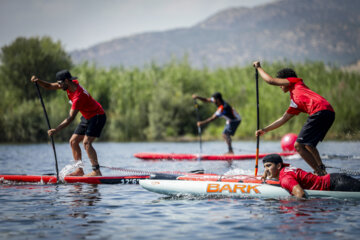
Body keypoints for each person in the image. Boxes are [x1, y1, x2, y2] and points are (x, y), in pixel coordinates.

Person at [253, 61, 335, 176]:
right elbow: (283, 119)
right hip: (329, 112)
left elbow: (270, 81)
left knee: (298, 145)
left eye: (281, 82)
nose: (280, 86)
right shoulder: (295, 101)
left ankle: (319, 173)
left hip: (320, 111)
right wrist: (265, 130)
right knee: (309, 144)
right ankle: (321, 170)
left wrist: (258, 68)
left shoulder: (295, 82)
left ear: (286, 80)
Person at [31, 70, 106, 176]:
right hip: (87, 116)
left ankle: (96, 171)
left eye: (60, 83)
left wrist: (56, 130)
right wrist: (38, 81)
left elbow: (70, 118)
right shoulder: (70, 84)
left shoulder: (78, 97)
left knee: (86, 143)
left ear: (66, 81)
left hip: (97, 116)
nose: (59, 86)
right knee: (73, 141)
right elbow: (49, 86)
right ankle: (79, 170)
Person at [262, 154, 360, 198]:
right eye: (265, 167)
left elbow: (301, 194)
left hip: (336, 184)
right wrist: (266, 173)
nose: (266, 169)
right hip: (335, 179)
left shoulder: (285, 179)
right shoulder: (285, 168)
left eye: (268, 166)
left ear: (278, 165)